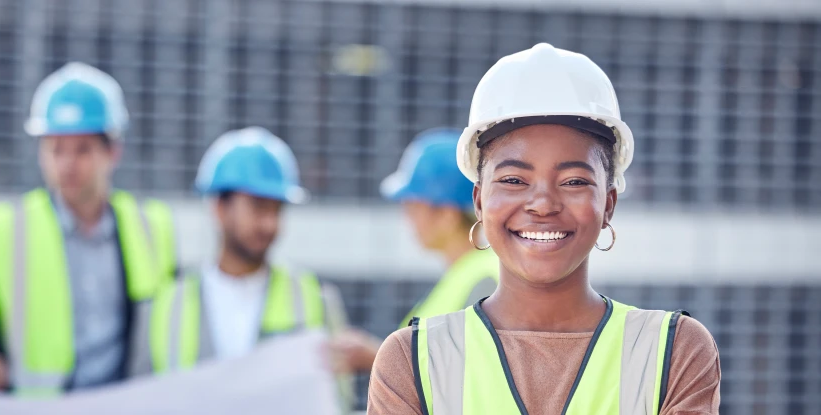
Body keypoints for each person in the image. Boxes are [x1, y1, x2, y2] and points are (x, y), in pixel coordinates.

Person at [367, 43, 721, 414]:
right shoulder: (411, 359)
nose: (543, 204)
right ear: (479, 203)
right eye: (514, 180)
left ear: (608, 205)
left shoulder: (671, 351)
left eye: (572, 181)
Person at [0, 62, 178, 396]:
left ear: (113, 152)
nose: (67, 164)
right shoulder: (4, 230)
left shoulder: (153, 228)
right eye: (56, 149)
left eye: (82, 150)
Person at [130, 126, 371, 376]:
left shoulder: (315, 302)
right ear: (219, 207)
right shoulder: (164, 307)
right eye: (258, 207)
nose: (269, 223)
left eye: (276, 209)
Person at [381, 128, 499, 328]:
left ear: (447, 215)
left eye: (414, 208)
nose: (409, 220)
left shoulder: (484, 281)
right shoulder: (462, 276)